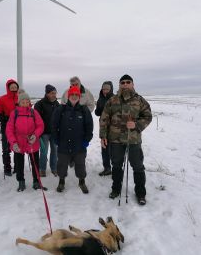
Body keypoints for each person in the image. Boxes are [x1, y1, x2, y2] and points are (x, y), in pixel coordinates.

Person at [99, 75, 152, 205]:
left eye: (128, 82)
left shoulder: (140, 100)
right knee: (116, 165)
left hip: (133, 140)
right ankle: (116, 189)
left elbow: (148, 116)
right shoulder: (112, 100)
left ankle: (140, 193)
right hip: (115, 140)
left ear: (132, 84)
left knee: (138, 166)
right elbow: (104, 119)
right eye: (122, 82)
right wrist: (103, 136)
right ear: (119, 85)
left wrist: (136, 124)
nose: (125, 84)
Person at [52, 86, 93, 194]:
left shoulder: (84, 110)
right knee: (62, 164)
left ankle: (82, 181)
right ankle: (61, 182)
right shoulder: (61, 109)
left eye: (76, 95)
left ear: (79, 97)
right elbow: (54, 125)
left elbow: (89, 127)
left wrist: (86, 140)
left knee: (80, 164)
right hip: (63, 143)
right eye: (72, 95)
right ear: (68, 96)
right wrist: (56, 139)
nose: (74, 96)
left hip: (79, 144)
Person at [6, 92, 47, 192]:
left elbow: (40, 126)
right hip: (18, 142)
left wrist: (35, 135)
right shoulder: (14, 113)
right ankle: (21, 182)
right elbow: (9, 129)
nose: (25, 103)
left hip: (32, 141)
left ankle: (36, 182)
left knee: (35, 163)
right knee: (19, 163)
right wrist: (13, 142)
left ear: (29, 102)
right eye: (22, 101)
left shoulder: (33, 112)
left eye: (26, 101)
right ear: (19, 102)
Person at [34, 84, 60, 177]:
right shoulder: (39, 104)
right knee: (44, 152)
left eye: (55, 93)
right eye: (52, 93)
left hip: (54, 133)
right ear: (47, 93)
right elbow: (36, 119)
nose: (54, 95)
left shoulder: (57, 104)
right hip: (43, 133)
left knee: (55, 151)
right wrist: (38, 132)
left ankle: (54, 168)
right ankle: (42, 169)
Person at [0, 79, 19, 176]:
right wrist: (7, 120)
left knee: (17, 147)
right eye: (12, 87)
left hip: (18, 128)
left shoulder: (20, 97)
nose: (13, 88)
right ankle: (7, 168)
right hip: (6, 127)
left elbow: (26, 108)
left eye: (15, 87)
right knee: (6, 149)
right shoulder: (2, 99)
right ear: (8, 88)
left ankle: (18, 166)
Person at [95, 81, 114, 176]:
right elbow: (98, 113)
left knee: (114, 149)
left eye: (107, 89)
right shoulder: (100, 99)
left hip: (114, 128)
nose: (105, 91)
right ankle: (107, 168)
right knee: (105, 147)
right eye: (103, 89)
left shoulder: (115, 99)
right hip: (103, 127)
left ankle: (116, 169)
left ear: (111, 89)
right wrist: (98, 109)